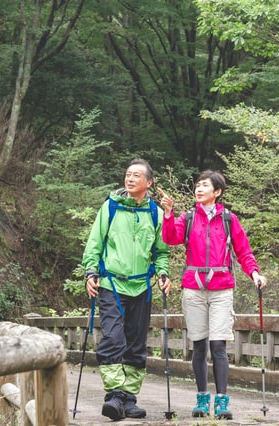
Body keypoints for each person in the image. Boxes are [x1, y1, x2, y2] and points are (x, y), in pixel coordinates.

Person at [159, 170, 267, 420]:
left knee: (218, 344)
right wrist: (168, 214)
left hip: (221, 289)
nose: (199, 189)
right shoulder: (188, 218)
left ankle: (222, 401)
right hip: (194, 289)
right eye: (197, 185)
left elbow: (244, 252)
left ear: (217, 192)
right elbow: (170, 238)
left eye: (204, 186)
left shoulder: (228, 219)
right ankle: (201, 399)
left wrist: (255, 274)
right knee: (198, 346)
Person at [82, 158, 172, 421]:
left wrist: (164, 273)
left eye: (136, 175)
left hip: (141, 286)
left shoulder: (154, 213)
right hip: (111, 284)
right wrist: (90, 271)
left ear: (148, 183)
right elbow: (94, 244)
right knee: (113, 338)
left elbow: (161, 251)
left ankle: (128, 399)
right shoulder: (110, 207)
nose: (130, 179)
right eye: (128, 174)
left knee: (136, 344)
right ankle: (114, 394)